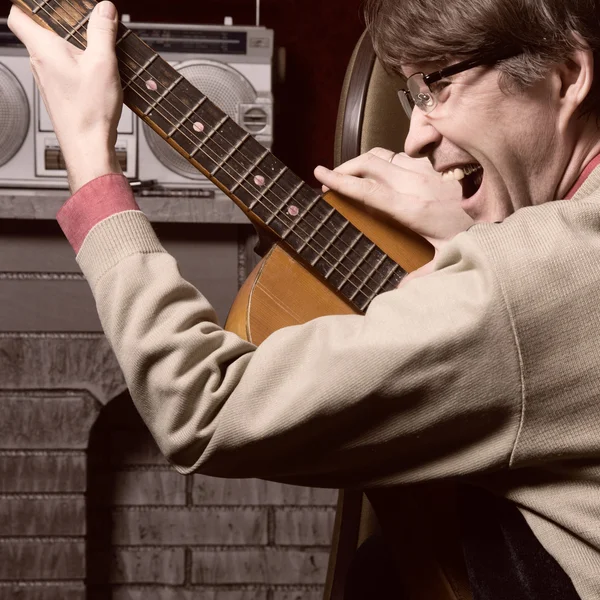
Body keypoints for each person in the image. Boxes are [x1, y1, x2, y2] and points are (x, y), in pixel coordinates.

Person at [8, 0, 600, 597]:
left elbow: (200, 405)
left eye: (438, 87)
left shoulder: (518, 285)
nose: (417, 137)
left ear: (567, 77)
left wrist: (89, 161)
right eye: (411, 95)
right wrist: (483, 236)